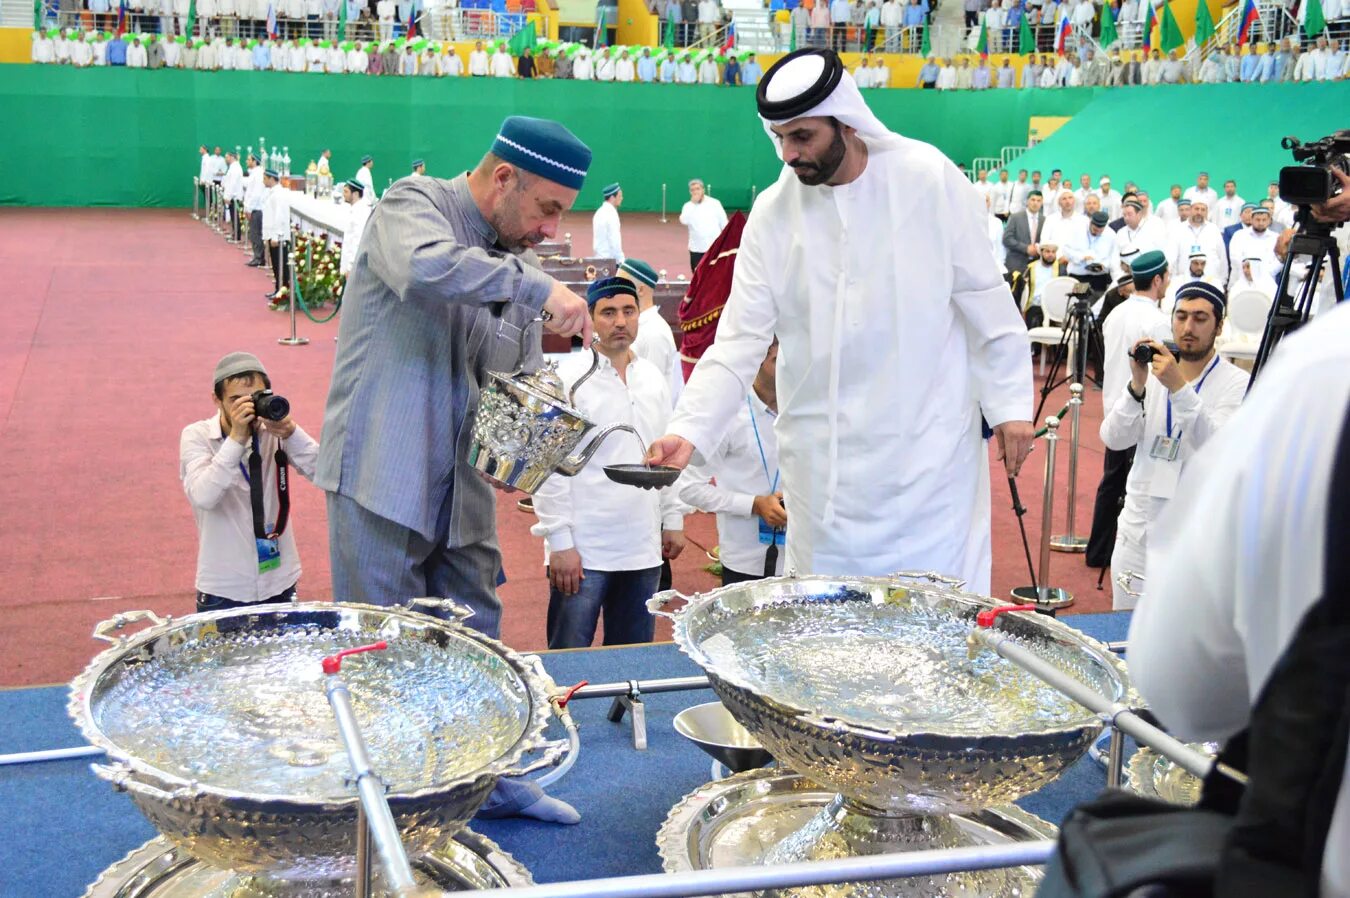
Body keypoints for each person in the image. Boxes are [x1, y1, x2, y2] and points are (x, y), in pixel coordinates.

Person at [645, 49, 1034, 592]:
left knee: (930, 628)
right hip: (823, 477)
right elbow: (737, 342)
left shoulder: (928, 180)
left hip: (926, 463)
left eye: (802, 136)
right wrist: (687, 431)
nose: (788, 153)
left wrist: (1012, 406)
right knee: (829, 636)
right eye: (779, 137)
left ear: (845, 121)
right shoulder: (775, 215)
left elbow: (986, 302)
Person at [315, 116, 592, 824]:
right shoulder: (413, 204)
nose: (549, 227)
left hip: (461, 489)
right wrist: (536, 287)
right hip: (384, 471)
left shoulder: (513, 265)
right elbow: (425, 268)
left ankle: (486, 784)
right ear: (504, 178)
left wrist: (530, 441)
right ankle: (388, 803)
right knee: (381, 644)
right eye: (548, 209)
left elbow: (519, 378)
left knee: (477, 639)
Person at [1127, 301, 1350, 898]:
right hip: (1146, 518)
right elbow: (1114, 435)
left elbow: (1183, 686)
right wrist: (1140, 384)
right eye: (1182, 315)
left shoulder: (1319, 372)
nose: (1188, 328)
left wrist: (1184, 392)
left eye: (1201, 317)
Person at [530, 277, 685, 650]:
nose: (620, 322)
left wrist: (673, 517)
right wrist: (560, 542)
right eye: (609, 313)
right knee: (570, 662)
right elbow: (548, 469)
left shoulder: (651, 377)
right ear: (591, 319)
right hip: (585, 550)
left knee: (632, 661)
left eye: (628, 312)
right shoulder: (568, 379)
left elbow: (668, 452)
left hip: (643, 548)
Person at [180, 352, 320, 613]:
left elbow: (324, 472)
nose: (246, 408)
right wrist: (236, 439)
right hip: (224, 589)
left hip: (279, 582)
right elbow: (204, 496)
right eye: (235, 400)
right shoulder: (196, 436)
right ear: (216, 399)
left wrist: (293, 434)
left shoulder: (274, 430)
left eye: (255, 397)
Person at [1085, 249, 1173, 570]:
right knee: (1136, 492)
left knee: (1111, 482)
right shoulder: (1158, 322)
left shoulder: (1114, 314)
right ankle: (1124, 555)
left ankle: (1097, 552)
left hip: (1115, 408)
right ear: (1159, 279)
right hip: (1142, 412)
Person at [678, 341, 787, 585]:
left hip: (801, 558)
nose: (791, 367)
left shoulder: (803, 411)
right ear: (758, 357)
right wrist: (754, 505)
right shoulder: (730, 414)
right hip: (745, 559)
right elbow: (689, 487)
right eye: (779, 359)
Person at [619, 258, 679, 400]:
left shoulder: (654, 333)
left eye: (621, 284)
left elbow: (651, 392)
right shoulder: (634, 325)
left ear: (640, 290)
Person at [679, 178, 728, 273]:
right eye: (693, 190)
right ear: (690, 192)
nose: (695, 192)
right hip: (696, 248)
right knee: (698, 276)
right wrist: (693, 204)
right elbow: (683, 221)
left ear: (703, 190)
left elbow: (724, 223)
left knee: (715, 275)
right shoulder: (688, 206)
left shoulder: (715, 203)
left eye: (698, 189)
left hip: (714, 247)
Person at [1063, 210, 1118, 293]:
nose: (1096, 233)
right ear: (1090, 223)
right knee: (1078, 302)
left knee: (1097, 303)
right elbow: (1066, 250)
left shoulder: (1111, 235)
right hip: (1079, 276)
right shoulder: (1077, 230)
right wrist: (1081, 257)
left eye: (1100, 231)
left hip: (1099, 278)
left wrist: (1103, 265)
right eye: (1094, 230)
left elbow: (1114, 257)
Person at [261, 169, 292, 304]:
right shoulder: (272, 193)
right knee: (275, 264)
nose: (263, 181)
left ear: (271, 179)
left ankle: (282, 290)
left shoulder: (278, 194)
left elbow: (280, 217)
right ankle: (278, 289)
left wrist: (275, 235)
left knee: (280, 265)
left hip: (278, 237)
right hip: (271, 234)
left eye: (265, 178)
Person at [1002, 188, 1045, 278]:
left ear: (1042, 203)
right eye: (1033, 200)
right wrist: (1026, 248)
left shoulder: (1044, 220)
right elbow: (1007, 239)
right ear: (1027, 201)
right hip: (1016, 263)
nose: (1035, 203)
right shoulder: (1015, 217)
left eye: (1038, 200)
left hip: (1037, 265)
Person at [338, 179, 370, 277]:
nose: (343, 194)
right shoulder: (355, 209)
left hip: (354, 270)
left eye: (346, 192)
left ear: (355, 194)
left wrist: (350, 267)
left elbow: (358, 240)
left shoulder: (361, 212)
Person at [243, 153, 266, 267]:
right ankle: (258, 256)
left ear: (255, 161)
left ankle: (259, 257)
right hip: (255, 207)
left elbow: (255, 193)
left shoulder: (258, 174)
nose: (246, 161)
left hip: (257, 208)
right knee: (254, 233)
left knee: (255, 234)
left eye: (248, 160)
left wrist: (249, 208)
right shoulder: (255, 173)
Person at [592, 182, 624, 263]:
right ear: (612, 197)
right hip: (609, 262)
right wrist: (621, 260)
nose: (622, 198)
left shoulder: (599, 212)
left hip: (598, 258)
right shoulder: (611, 214)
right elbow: (614, 240)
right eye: (619, 196)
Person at [222, 151, 245, 244]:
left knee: (235, 217)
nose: (225, 159)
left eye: (227, 157)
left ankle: (236, 236)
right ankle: (234, 233)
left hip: (234, 196)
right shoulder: (233, 167)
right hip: (233, 195)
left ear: (232, 157)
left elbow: (232, 184)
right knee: (233, 216)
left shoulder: (235, 168)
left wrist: (228, 196)